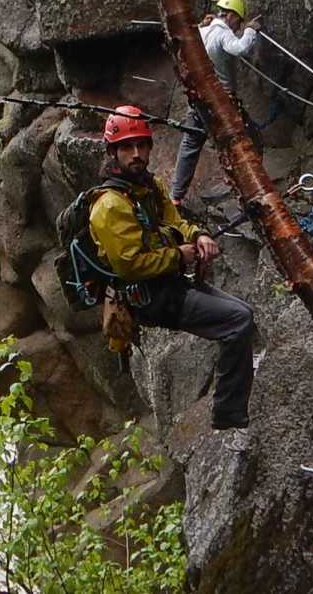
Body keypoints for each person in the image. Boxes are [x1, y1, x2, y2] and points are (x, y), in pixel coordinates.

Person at [90, 105, 256, 440]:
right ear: (114, 152)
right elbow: (130, 264)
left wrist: (198, 235)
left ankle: (230, 405)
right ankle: (228, 417)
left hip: (169, 284)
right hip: (148, 298)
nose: (137, 154)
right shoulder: (109, 206)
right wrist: (178, 257)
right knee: (237, 321)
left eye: (142, 145)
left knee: (243, 315)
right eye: (127, 148)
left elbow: (174, 221)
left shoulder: (149, 186)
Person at [170, 0, 264, 206]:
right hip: (223, 102)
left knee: (190, 145)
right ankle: (249, 190)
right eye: (238, 22)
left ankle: (175, 196)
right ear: (231, 16)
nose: (237, 27)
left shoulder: (201, 31)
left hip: (199, 99)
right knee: (251, 141)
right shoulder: (222, 34)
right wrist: (251, 30)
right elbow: (240, 48)